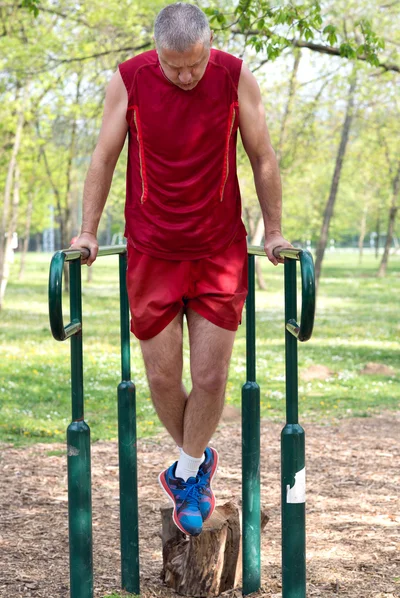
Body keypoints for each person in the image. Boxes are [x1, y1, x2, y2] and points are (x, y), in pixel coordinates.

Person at [71, 2, 291, 537]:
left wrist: (276, 229)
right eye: (175, 67)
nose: (187, 75)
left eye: (195, 64)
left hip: (219, 248)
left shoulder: (235, 76)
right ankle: (196, 466)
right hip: (151, 248)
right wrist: (88, 229)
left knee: (212, 376)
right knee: (162, 375)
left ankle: (187, 474)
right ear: (157, 54)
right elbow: (104, 156)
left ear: (208, 47)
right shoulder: (129, 80)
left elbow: (262, 156)